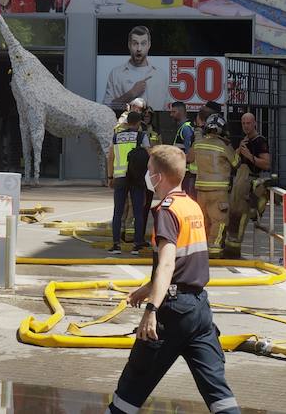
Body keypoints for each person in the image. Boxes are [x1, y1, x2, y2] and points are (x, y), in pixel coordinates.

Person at [107, 145, 240, 414]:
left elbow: (168, 263)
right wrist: (146, 289)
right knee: (217, 390)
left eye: (149, 171)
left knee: (133, 385)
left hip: (172, 312)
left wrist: (151, 309)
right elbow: (186, 261)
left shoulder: (166, 211)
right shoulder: (190, 206)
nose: (147, 175)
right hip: (199, 311)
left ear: (159, 176)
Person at [223, 112, 271, 258]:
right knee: (232, 215)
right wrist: (238, 151)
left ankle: (256, 209)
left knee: (240, 216)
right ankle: (231, 250)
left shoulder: (260, 141)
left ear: (255, 123)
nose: (246, 126)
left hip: (250, 181)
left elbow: (267, 164)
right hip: (239, 181)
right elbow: (236, 163)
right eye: (243, 123)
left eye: (248, 123)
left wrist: (249, 155)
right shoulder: (244, 140)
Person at [190, 113, 235, 255]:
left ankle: (201, 247)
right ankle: (214, 249)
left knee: (203, 219)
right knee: (219, 220)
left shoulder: (198, 143)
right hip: (219, 191)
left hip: (201, 191)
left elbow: (189, 158)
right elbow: (236, 162)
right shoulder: (224, 146)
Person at [109, 108, 151, 255]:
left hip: (119, 177)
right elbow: (148, 155)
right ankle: (137, 244)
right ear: (139, 123)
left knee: (118, 211)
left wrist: (110, 177)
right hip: (136, 177)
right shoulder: (141, 136)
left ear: (127, 123)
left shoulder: (116, 137)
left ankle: (115, 245)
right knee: (138, 210)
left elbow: (111, 157)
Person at [103, 25, 162, 111]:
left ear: (149, 45)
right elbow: (106, 109)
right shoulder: (116, 74)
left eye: (143, 43)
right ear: (129, 45)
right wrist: (131, 93)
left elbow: (167, 109)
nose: (139, 49)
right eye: (135, 43)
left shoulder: (161, 75)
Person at [169, 100, 197, 195]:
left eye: (174, 112)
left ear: (181, 112)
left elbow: (190, 153)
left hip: (187, 172)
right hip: (185, 171)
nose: (171, 115)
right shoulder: (184, 127)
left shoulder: (186, 128)